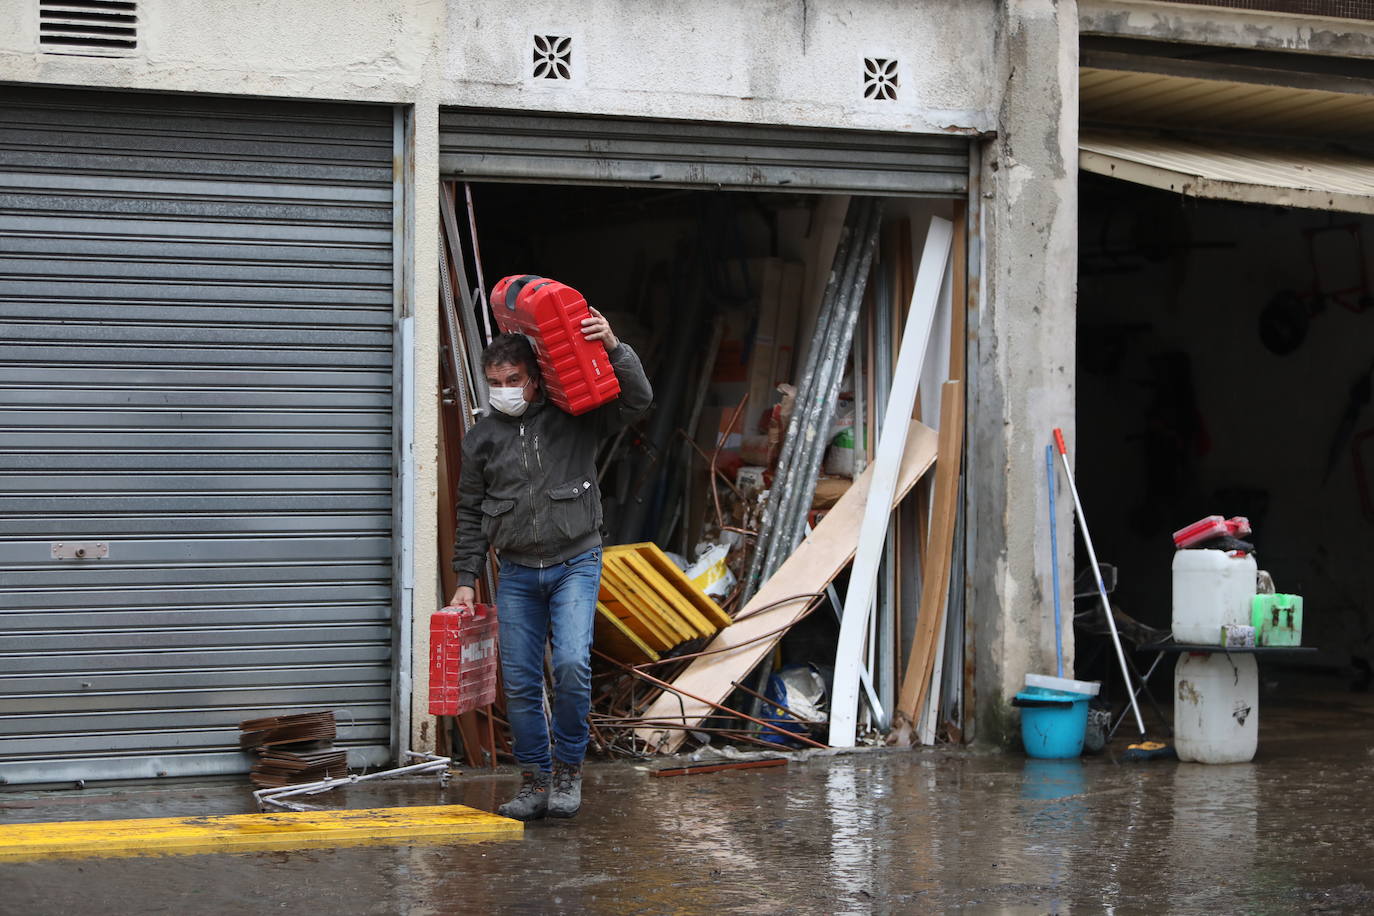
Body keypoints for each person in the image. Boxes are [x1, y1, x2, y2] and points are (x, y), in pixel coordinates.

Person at [450, 306, 652, 821]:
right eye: (495, 382)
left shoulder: (576, 417)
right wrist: (466, 579)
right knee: (518, 680)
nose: (504, 390)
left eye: (513, 380)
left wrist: (612, 344)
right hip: (517, 571)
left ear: (535, 380)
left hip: (575, 561)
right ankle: (534, 780)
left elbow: (638, 400)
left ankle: (567, 770)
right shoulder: (482, 439)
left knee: (569, 664)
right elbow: (470, 511)